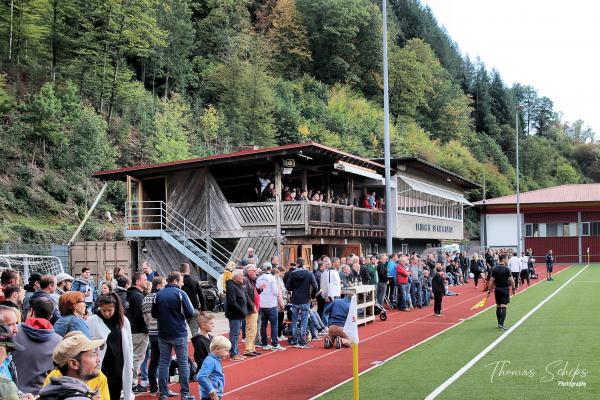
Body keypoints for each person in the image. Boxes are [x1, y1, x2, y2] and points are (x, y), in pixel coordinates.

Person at [151, 272, 195, 400]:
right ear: (175, 281)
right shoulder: (181, 294)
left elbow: (154, 314)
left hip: (163, 333)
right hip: (179, 332)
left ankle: (163, 393)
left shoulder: (158, 294)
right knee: (182, 363)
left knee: (164, 362)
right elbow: (190, 312)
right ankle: (185, 394)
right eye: (181, 281)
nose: (182, 283)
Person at [87, 293, 134, 400]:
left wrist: (130, 363)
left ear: (115, 308)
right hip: (101, 365)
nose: (107, 313)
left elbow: (129, 345)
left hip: (118, 365)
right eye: (104, 310)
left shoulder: (123, 321)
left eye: (110, 310)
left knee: (115, 394)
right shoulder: (93, 320)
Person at [12, 298, 62, 395]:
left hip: (13, 393)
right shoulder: (59, 341)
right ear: (51, 316)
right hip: (41, 394)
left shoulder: (14, 332)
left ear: (31, 311)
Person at [43, 331, 110, 400]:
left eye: (96, 353)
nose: (98, 359)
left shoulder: (52, 386)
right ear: (73, 364)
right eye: (93, 354)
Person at [142, 276, 168, 396]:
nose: (166, 286)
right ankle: (164, 389)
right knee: (163, 362)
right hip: (161, 332)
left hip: (151, 332)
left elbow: (145, 317)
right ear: (159, 286)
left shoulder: (146, 298)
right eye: (164, 284)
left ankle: (153, 389)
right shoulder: (160, 297)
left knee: (153, 361)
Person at [285, 257, 318, 349]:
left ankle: (295, 340)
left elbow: (288, 287)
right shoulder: (309, 273)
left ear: (297, 264)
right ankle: (302, 341)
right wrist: (312, 296)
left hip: (295, 299)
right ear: (304, 264)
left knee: (294, 320)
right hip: (305, 299)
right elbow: (315, 286)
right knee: (304, 320)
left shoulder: (292, 274)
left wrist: (294, 289)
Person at [125, 272, 149, 393]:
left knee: (132, 357)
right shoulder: (138, 296)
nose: (147, 281)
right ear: (138, 282)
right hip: (138, 331)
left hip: (131, 330)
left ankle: (131, 382)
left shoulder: (129, 295)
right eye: (144, 279)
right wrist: (146, 329)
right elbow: (140, 315)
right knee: (137, 358)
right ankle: (133, 383)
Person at [256, 263, 285, 351]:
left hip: (262, 304)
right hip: (271, 304)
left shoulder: (259, 278)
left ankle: (265, 343)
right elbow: (276, 292)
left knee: (263, 325)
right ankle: (275, 344)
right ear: (270, 268)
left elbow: (257, 290)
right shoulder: (272, 278)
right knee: (274, 325)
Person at [196, 335, 231, 400]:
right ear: (217, 349)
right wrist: (211, 390)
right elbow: (200, 376)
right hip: (210, 396)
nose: (228, 353)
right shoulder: (210, 361)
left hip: (215, 394)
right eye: (226, 350)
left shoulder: (216, 359)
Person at [487, 253, 516, 330]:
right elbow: (512, 281)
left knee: (498, 306)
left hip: (497, 289)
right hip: (504, 289)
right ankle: (502, 324)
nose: (507, 260)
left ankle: (499, 323)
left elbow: (491, 281)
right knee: (504, 306)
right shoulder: (507, 269)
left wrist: (489, 290)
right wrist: (513, 289)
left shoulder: (494, 268)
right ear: (503, 259)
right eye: (507, 259)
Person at [225, 269, 248, 362]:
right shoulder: (231, 287)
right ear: (236, 277)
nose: (243, 277)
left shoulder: (238, 286)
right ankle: (233, 354)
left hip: (239, 314)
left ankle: (236, 353)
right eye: (241, 275)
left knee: (237, 334)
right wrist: (241, 310)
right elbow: (232, 302)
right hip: (234, 314)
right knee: (234, 334)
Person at [180, 263, 205, 336]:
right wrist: (203, 309)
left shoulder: (178, 283)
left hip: (181, 310)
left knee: (181, 332)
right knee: (195, 332)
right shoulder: (194, 282)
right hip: (193, 308)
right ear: (188, 270)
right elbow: (201, 296)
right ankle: (197, 346)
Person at [242, 264, 260, 357]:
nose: (256, 272)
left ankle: (252, 348)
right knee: (251, 329)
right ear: (249, 272)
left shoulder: (251, 280)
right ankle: (248, 349)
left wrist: (260, 290)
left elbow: (253, 293)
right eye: (254, 270)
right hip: (251, 309)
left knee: (254, 329)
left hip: (254, 308)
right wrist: (252, 305)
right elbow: (245, 294)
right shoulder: (245, 280)